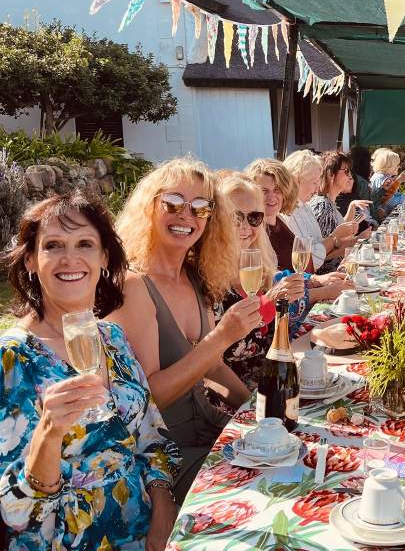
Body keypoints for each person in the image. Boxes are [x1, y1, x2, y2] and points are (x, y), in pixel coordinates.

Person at [0, 193, 191, 551]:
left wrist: (162, 510)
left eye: (85, 243)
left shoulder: (111, 339)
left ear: (105, 257)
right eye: (53, 246)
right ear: (31, 260)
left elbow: (152, 438)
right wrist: (48, 433)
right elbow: (13, 508)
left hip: (138, 548)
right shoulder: (12, 357)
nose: (70, 258)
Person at [112, 158, 266, 499]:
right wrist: (221, 337)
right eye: (173, 203)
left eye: (200, 207)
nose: (186, 215)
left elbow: (212, 367)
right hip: (164, 456)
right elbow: (151, 396)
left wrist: (260, 410)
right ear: (149, 208)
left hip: (207, 427)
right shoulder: (133, 286)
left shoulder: (194, 276)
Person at [217, 174, 305, 390]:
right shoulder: (208, 278)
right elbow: (224, 353)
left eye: (254, 217)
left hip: (277, 375)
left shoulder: (259, 266)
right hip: (240, 392)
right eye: (236, 217)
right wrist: (269, 303)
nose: (246, 226)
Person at [246, 158, 349, 317]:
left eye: (277, 190)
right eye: (264, 191)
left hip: (299, 306)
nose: (272, 197)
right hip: (281, 317)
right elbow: (274, 288)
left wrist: (316, 279)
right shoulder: (252, 232)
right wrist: (323, 291)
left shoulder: (280, 220)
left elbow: (290, 274)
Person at [283, 150, 357, 272]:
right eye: (314, 182)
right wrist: (335, 236)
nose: (318, 187)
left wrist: (346, 240)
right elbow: (310, 260)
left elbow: (319, 245)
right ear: (297, 180)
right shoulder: (290, 211)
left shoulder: (304, 207)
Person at [369, 148, 405, 221]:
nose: (399, 167)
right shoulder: (381, 178)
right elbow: (387, 200)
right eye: (397, 165)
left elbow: (393, 195)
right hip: (381, 217)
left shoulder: (384, 176)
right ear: (388, 166)